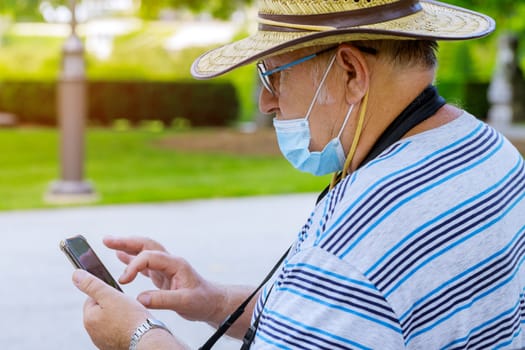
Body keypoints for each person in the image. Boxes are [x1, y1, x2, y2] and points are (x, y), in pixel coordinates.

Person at [71, 0, 525, 349]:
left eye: (274, 75)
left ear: (351, 72)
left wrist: (139, 335)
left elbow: (352, 286)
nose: (267, 102)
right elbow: (356, 319)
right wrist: (212, 300)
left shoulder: (359, 237)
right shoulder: (490, 152)